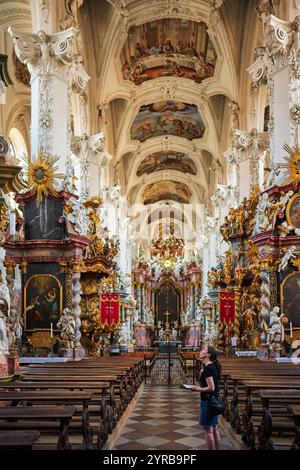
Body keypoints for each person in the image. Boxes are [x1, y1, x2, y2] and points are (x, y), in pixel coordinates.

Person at [191, 345, 222, 450]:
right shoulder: (211, 367)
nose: (201, 351)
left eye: (203, 350)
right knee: (214, 428)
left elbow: (211, 387)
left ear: (208, 354)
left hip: (208, 401)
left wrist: (196, 389)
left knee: (208, 430)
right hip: (214, 400)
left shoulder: (208, 369)